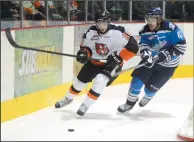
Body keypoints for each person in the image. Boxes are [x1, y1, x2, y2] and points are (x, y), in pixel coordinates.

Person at [55, 9, 139, 116]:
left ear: (108, 22)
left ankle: (85, 105)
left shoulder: (119, 31)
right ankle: (67, 98)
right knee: (79, 83)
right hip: (95, 62)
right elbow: (86, 48)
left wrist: (118, 57)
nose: (101, 26)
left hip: (112, 65)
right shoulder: (91, 32)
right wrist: (84, 54)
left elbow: (134, 47)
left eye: (104, 23)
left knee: (100, 81)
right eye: (99, 23)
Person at [117, 7, 187, 113]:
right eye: (148, 19)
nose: (149, 22)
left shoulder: (171, 29)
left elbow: (182, 46)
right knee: (136, 81)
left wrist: (167, 54)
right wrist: (145, 54)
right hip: (151, 60)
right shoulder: (144, 31)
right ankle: (129, 104)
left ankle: (149, 96)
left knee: (149, 90)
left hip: (168, 65)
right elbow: (143, 45)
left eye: (152, 19)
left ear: (159, 19)